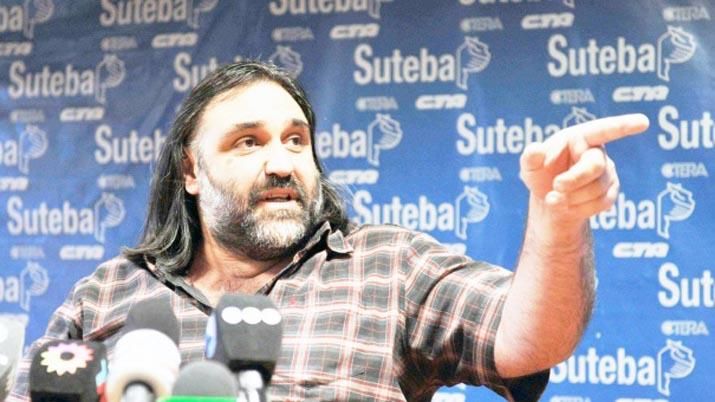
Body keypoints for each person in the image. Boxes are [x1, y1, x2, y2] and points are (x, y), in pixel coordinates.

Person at [9, 60, 648, 402]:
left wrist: (559, 223)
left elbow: (529, 340)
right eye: (248, 142)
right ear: (191, 172)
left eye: (296, 140)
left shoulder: (388, 266)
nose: (282, 162)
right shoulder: (110, 292)